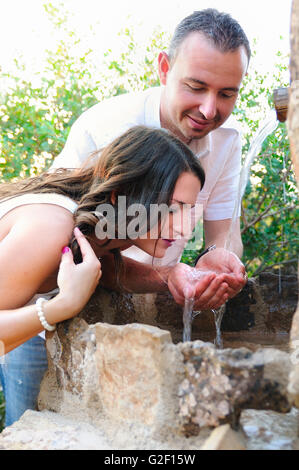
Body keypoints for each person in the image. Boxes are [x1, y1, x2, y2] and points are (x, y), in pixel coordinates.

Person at [1, 125, 233, 427]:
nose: (183, 228)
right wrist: (63, 306)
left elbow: (107, 268)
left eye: (189, 210)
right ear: (120, 194)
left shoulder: (107, 227)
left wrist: (170, 274)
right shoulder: (51, 227)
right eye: (171, 209)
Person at [51, 8, 250, 303]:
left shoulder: (228, 138)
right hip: (54, 309)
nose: (209, 110)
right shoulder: (105, 129)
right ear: (164, 68)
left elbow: (224, 230)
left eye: (226, 95)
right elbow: (71, 247)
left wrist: (217, 256)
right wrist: (167, 276)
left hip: (145, 309)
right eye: (196, 87)